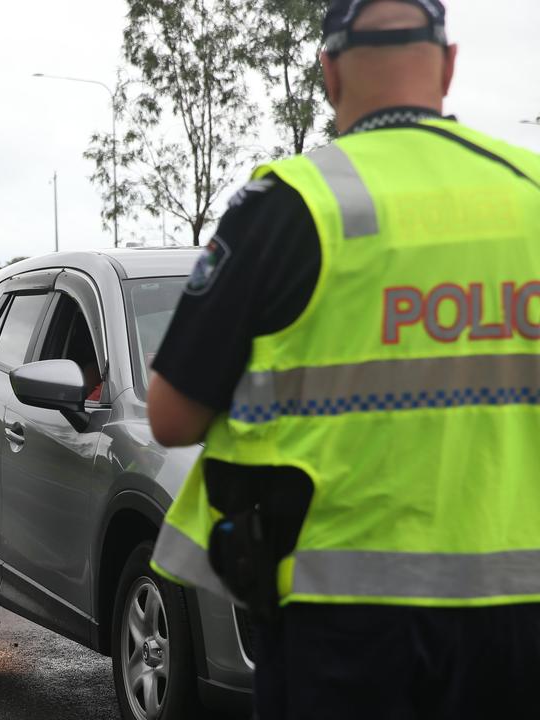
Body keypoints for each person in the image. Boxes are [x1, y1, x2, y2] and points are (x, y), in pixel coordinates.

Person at [146, 1, 540, 717]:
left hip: (344, 622)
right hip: (522, 619)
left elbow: (171, 416)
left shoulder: (290, 204)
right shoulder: (533, 194)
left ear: (328, 72)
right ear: (449, 64)